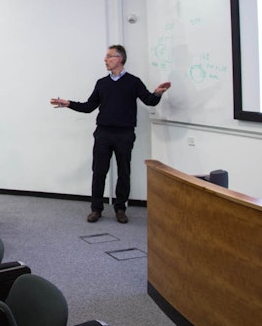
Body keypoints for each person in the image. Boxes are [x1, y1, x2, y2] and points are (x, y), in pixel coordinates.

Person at [50, 44, 171, 224]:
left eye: (109, 56)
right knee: (99, 172)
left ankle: (120, 209)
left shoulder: (133, 81)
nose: (105, 60)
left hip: (125, 134)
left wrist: (157, 93)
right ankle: (96, 209)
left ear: (119, 59)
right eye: (106, 57)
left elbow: (149, 100)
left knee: (124, 172)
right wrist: (69, 104)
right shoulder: (102, 83)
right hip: (103, 134)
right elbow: (89, 107)